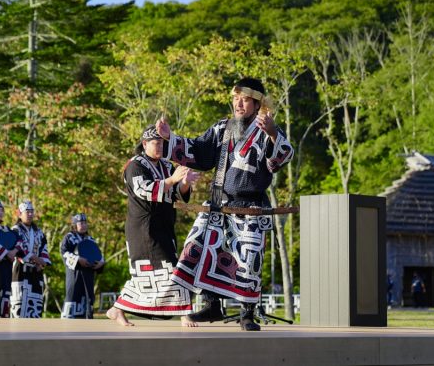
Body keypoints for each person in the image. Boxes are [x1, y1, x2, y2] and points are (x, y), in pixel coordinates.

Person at [157, 77, 294, 331]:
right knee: (198, 249)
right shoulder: (222, 128)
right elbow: (199, 150)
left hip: (250, 207)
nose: (238, 104)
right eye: (235, 99)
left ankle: (247, 313)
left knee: (248, 262)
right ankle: (212, 305)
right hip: (218, 204)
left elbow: (281, 158)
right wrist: (170, 139)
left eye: (244, 100)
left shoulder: (267, 129)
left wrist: (273, 133)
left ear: (257, 104)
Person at [106, 125, 200, 327]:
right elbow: (144, 190)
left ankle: (118, 308)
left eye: (162, 144)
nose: (160, 147)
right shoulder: (134, 165)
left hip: (164, 225)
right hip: (143, 227)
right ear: (145, 144)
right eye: (156, 143)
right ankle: (185, 314)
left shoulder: (166, 165)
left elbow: (176, 193)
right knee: (169, 268)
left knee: (151, 273)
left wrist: (184, 183)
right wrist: (172, 179)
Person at [10, 200, 51, 318]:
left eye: (32, 211)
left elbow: (44, 248)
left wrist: (42, 263)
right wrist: (36, 259)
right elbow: (19, 249)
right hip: (20, 270)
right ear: (20, 214)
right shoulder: (15, 230)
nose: (30, 214)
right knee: (18, 305)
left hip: (36, 271)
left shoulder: (39, 232)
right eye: (27, 212)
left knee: (35, 307)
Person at [60, 213, 105, 318]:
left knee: (88, 302)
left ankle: (87, 325)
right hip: (75, 276)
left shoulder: (91, 239)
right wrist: (78, 259)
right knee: (72, 299)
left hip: (88, 276)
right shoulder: (69, 238)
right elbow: (64, 252)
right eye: (81, 223)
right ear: (75, 225)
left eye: (85, 223)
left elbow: (98, 255)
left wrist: (101, 262)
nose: (84, 225)